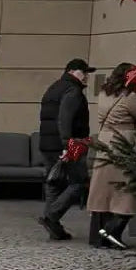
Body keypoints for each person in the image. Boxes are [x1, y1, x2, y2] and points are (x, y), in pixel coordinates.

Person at [86, 62, 136, 249]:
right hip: (123, 143)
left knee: (102, 192)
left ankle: (97, 237)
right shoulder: (129, 96)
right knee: (128, 192)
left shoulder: (103, 93)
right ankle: (112, 232)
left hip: (104, 141)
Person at [36, 58, 95, 240]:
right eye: (83, 72)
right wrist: (66, 144)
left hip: (48, 143)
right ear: (71, 71)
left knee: (54, 182)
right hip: (69, 144)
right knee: (79, 182)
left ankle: (55, 228)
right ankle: (51, 216)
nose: (86, 77)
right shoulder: (73, 91)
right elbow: (65, 118)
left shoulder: (54, 88)